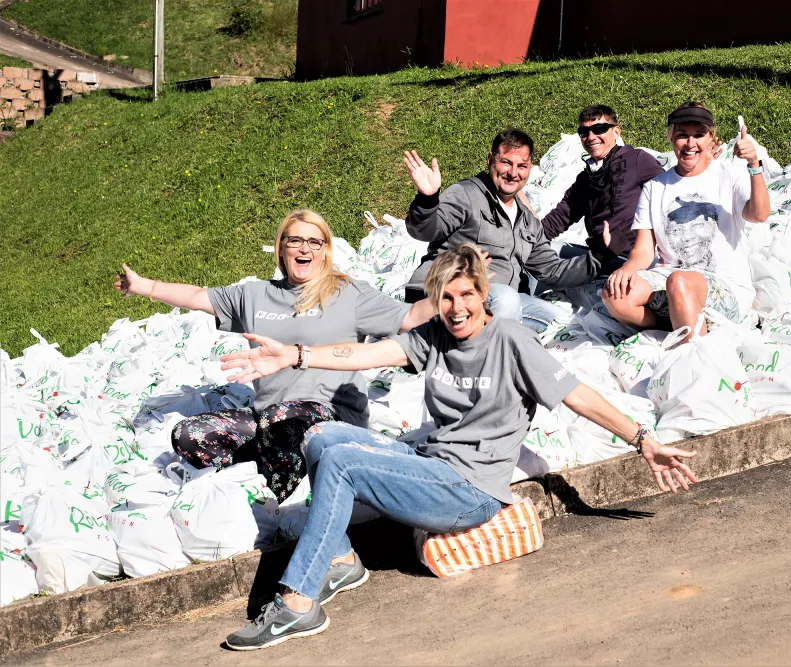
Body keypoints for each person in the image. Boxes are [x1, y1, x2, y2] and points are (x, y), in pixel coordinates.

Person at [218, 243, 697, 651]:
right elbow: (365, 353)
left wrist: (643, 440)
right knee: (322, 435)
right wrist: (295, 354)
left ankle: (298, 602)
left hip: (471, 490)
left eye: (466, 294)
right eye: (446, 297)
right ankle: (341, 561)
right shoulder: (434, 335)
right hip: (433, 465)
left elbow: (577, 395)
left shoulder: (512, 341)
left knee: (342, 462)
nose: (457, 307)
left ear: (484, 295)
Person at [113, 209, 428, 502]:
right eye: (295, 240)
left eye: (315, 242)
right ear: (281, 248)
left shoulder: (348, 294)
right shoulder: (255, 295)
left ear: (325, 250)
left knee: (280, 421)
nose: (305, 249)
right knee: (189, 434)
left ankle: (285, 507)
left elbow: (410, 317)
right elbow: (198, 297)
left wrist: (453, 297)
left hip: (332, 418)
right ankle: (267, 476)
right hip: (269, 419)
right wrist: (143, 286)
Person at [401, 128, 617, 333]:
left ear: (529, 169)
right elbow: (425, 231)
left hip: (496, 301)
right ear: (490, 160)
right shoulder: (466, 194)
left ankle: (496, 338)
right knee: (506, 299)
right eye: (506, 162)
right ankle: (476, 351)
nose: (513, 173)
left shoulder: (527, 222)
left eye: (522, 166)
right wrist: (427, 200)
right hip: (445, 293)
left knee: (558, 320)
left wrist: (599, 256)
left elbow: (552, 271)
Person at [602, 102, 770, 338]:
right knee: (615, 294)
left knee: (680, 282)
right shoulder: (655, 187)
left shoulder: (728, 175)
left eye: (699, 135)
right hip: (671, 279)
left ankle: (691, 350)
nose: (690, 143)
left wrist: (754, 165)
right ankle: (679, 328)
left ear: (711, 138)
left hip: (725, 286)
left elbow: (759, 214)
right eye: (682, 135)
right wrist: (627, 268)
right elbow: (644, 250)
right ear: (670, 137)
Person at [540, 105, 666, 273]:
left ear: (616, 132)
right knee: (538, 253)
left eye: (599, 128)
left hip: (631, 260)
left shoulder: (637, 160)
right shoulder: (586, 179)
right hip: (598, 257)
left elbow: (668, 196)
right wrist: (527, 240)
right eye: (584, 132)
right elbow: (561, 216)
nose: (591, 137)